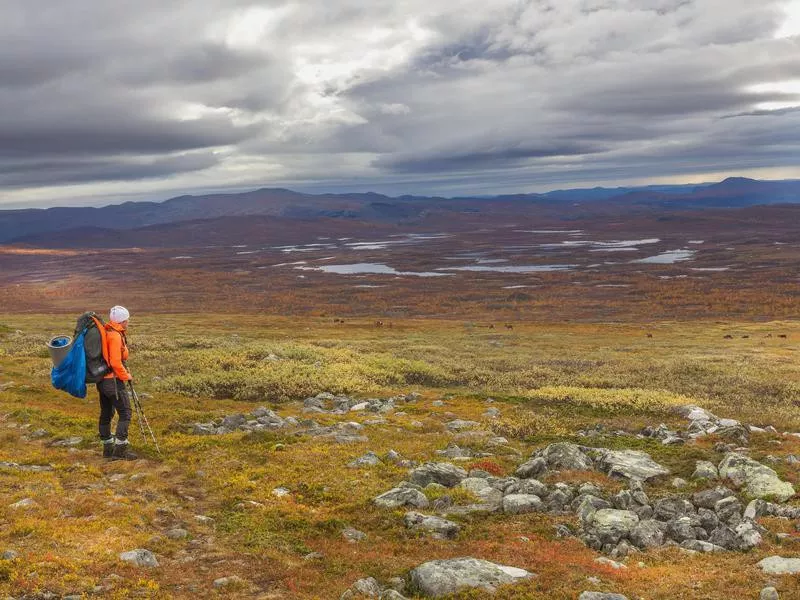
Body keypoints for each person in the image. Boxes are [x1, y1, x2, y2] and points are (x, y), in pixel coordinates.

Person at [98, 305, 137, 460]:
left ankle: (107, 449)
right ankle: (120, 451)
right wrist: (126, 376)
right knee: (125, 413)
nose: (128, 322)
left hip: (102, 381)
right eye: (127, 320)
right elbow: (115, 361)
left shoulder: (107, 332)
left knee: (107, 413)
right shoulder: (115, 336)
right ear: (121, 321)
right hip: (113, 381)